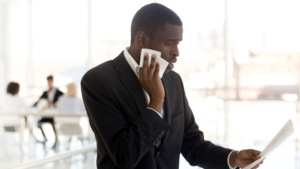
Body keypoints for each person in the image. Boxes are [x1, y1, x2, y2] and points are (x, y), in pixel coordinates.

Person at [81, 3, 264, 169]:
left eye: (178, 43)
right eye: (169, 43)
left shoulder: (174, 80)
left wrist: (233, 158)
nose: (176, 52)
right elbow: (124, 155)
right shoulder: (98, 81)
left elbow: (192, 144)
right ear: (142, 40)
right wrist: (157, 100)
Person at [34, 75, 63, 145]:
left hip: (55, 115)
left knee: (54, 125)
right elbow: (39, 101)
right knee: (38, 123)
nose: (49, 84)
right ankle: (45, 138)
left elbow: (61, 104)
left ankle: (56, 141)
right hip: (46, 114)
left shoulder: (60, 93)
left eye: (50, 82)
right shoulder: (45, 93)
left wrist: (52, 105)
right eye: (48, 82)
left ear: (52, 81)